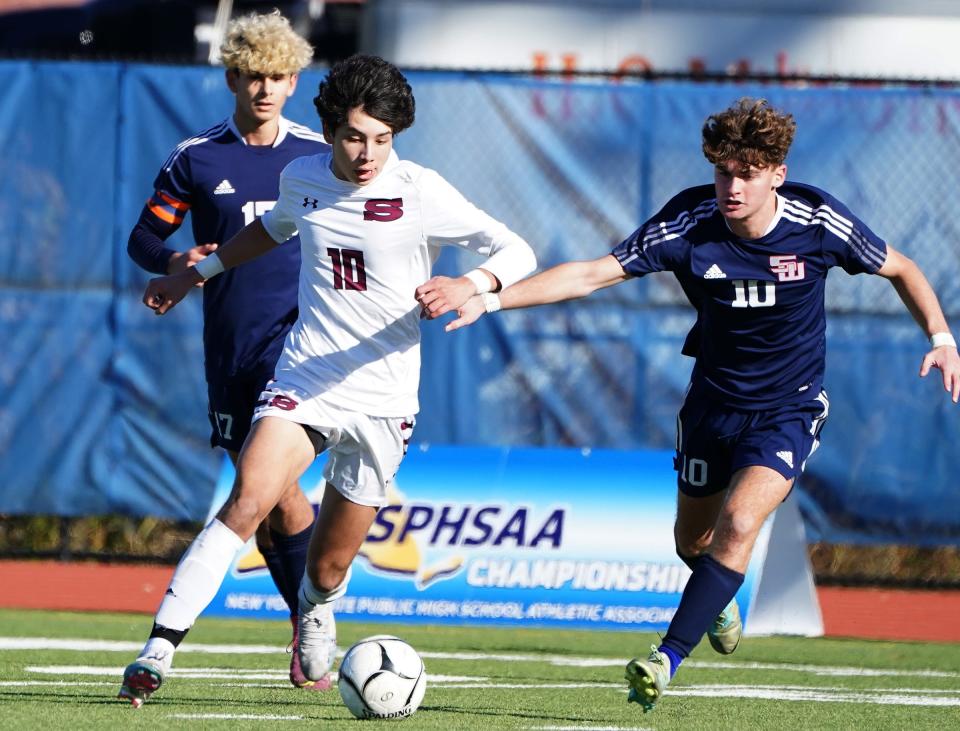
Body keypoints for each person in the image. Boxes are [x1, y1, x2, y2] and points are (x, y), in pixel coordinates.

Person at [419, 97, 960, 712]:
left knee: (739, 524)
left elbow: (903, 268)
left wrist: (941, 339)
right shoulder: (689, 222)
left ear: (776, 174)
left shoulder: (817, 220)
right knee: (692, 543)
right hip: (711, 406)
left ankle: (664, 659)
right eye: (724, 171)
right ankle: (716, 596)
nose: (732, 185)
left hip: (789, 407)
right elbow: (592, 274)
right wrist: (490, 300)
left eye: (748, 173)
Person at [118, 53, 537, 708]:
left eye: (381, 139)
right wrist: (190, 274)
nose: (367, 153)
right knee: (247, 500)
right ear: (330, 128)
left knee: (329, 566)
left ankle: (314, 609)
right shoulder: (303, 177)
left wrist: (471, 282)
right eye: (354, 136)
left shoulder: (420, 190)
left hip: (386, 397)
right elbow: (270, 229)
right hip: (308, 375)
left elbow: (516, 249)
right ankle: (157, 650)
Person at [121, 11, 329, 699]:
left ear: (294, 81)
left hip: (298, 347)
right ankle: (309, 624)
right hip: (230, 350)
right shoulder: (196, 156)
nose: (265, 88)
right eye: (253, 76)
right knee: (271, 497)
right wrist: (177, 256)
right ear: (233, 76)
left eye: (278, 76)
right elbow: (144, 243)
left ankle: (298, 630)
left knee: (265, 489)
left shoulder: (317, 155)